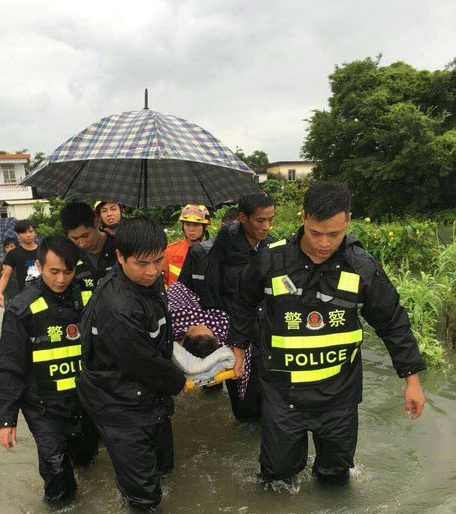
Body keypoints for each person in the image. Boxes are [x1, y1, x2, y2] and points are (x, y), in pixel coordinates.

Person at [227, 181, 426, 487]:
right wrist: (238, 348)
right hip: (282, 394)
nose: (324, 243)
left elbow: (392, 322)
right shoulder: (271, 260)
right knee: (276, 479)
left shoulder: (361, 267)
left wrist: (412, 380)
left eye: (334, 234)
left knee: (335, 479)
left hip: (339, 397)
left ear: (348, 220)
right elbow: (243, 302)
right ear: (303, 217)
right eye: (316, 233)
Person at [77, 218, 186, 512]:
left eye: (158, 260)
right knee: (145, 496)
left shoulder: (148, 283)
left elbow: (156, 342)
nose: (152, 270)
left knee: (165, 470)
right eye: (142, 263)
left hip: (149, 397)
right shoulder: (118, 305)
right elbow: (141, 361)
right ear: (120, 257)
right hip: (117, 404)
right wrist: (180, 382)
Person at [0, 235, 98, 504]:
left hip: (83, 398)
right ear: (39, 267)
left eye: (68, 271)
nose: (61, 279)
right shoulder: (22, 309)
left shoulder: (87, 297)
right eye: (54, 271)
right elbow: (9, 364)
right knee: (57, 475)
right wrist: (6, 419)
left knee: (88, 459)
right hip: (43, 405)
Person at [179, 192, 276, 419]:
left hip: (267, 338)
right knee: (245, 408)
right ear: (243, 217)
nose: (266, 227)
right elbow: (203, 296)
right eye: (260, 220)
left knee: (273, 407)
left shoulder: (273, 250)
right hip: (234, 338)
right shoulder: (212, 252)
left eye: (271, 220)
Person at [60, 202, 117, 307]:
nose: (81, 244)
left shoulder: (120, 249)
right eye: (75, 238)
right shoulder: (68, 256)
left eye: (85, 235)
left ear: (96, 223)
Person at [163, 204, 211, 287]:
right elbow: (162, 280)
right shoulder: (170, 250)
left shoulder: (210, 251)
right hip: (175, 298)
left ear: (204, 227)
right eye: (188, 224)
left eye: (196, 224)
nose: (191, 229)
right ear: (183, 226)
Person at [0, 220, 39, 307]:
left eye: (31, 231)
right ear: (18, 235)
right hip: (25, 296)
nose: (28, 235)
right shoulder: (13, 254)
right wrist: (0, 293)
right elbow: (5, 276)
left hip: (45, 293)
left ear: (35, 232)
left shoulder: (44, 251)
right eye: (24, 232)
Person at [0, 237, 19, 305]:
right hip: (8, 294)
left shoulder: (21, 258)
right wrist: (3, 271)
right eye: (7, 247)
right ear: (4, 249)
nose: (9, 249)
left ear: (17, 247)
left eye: (12, 246)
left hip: (22, 291)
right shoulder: (1, 261)